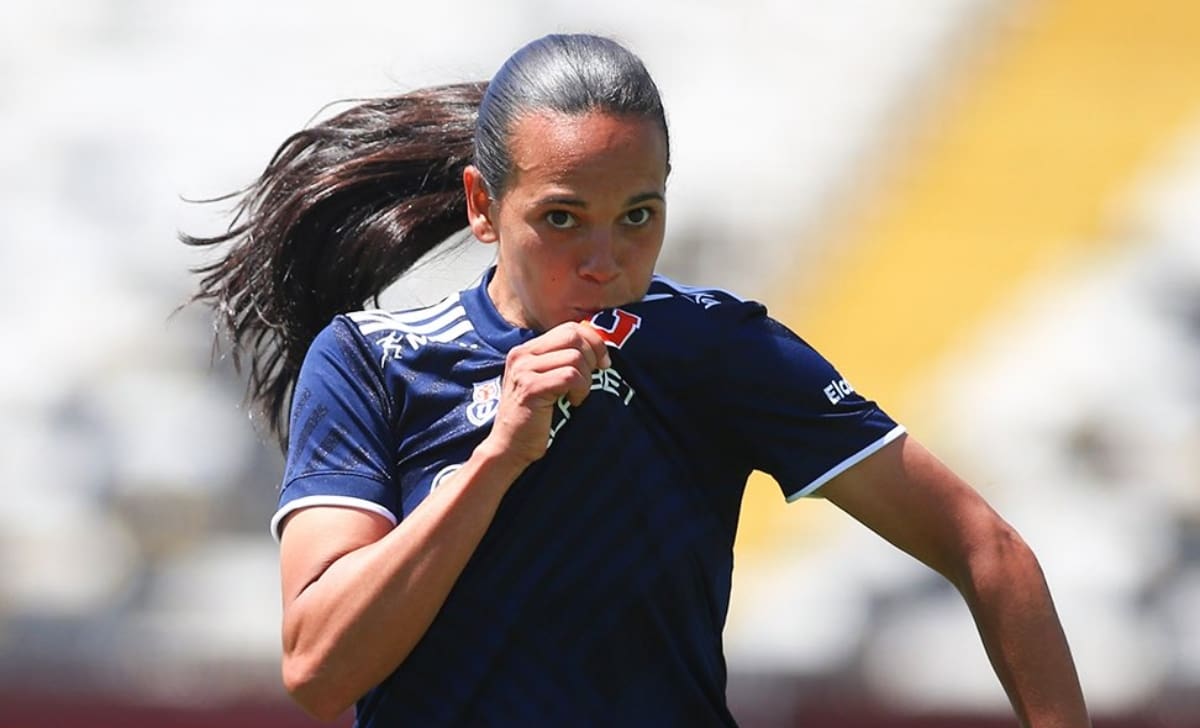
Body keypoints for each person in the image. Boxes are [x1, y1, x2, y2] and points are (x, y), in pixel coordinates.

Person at [185, 33, 1090, 728]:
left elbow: (988, 551)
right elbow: (317, 669)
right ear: (481, 207)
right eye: (564, 219)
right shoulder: (372, 362)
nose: (605, 259)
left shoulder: (717, 349)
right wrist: (497, 456)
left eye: (639, 215)